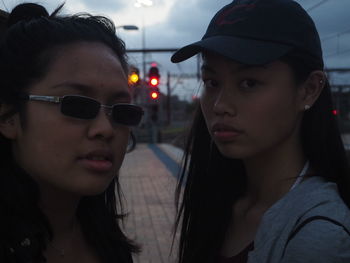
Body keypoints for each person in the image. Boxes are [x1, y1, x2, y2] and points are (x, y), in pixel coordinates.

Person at [171, 0, 350, 262]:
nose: (220, 105)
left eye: (249, 83)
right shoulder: (218, 200)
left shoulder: (319, 237)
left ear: (309, 89)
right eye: (212, 82)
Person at [0, 3, 144, 263]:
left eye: (122, 111)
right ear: (9, 117)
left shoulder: (106, 242)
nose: (105, 129)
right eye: (76, 105)